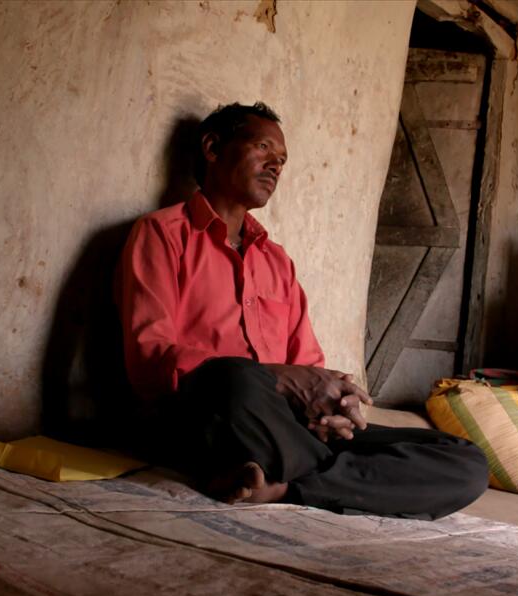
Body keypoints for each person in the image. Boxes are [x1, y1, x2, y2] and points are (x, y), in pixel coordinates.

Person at [117, 102, 488, 518]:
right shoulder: (162, 235)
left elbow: (308, 367)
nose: (275, 167)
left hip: (286, 432)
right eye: (263, 148)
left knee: (466, 462)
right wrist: (277, 379)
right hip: (209, 418)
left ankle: (282, 486)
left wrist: (332, 410)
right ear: (212, 147)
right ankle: (342, 480)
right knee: (233, 378)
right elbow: (149, 360)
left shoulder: (276, 261)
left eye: (282, 161)